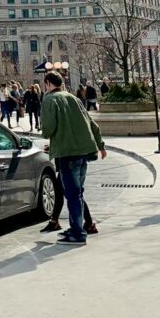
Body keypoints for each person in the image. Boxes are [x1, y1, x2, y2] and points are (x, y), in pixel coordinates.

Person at [40, 70, 106, 245]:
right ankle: (78, 226)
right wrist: (101, 145)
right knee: (77, 193)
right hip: (83, 152)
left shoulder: (49, 99)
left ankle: (77, 233)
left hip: (67, 154)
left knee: (73, 195)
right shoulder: (73, 98)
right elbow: (92, 124)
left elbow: (48, 129)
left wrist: (51, 139)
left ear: (48, 83)